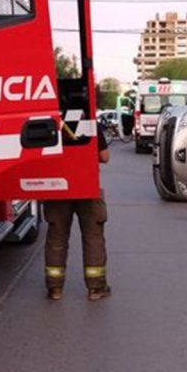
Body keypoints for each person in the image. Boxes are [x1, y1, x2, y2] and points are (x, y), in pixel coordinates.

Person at [44, 122, 111, 302]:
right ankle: (96, 289)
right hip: (87, 188)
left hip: (57, 187)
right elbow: (104, 157)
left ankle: (55, 289)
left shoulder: (48, 124)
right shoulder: (90, 124)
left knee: (56, 238)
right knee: (93, 238)